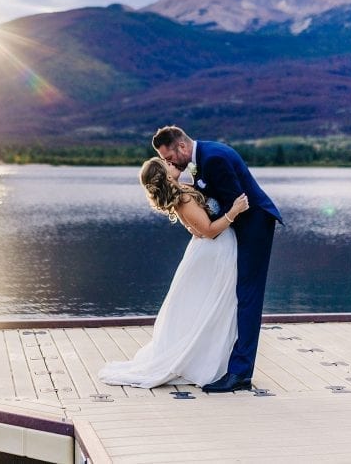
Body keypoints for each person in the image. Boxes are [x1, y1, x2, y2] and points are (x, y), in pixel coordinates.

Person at [98, 157, 250, 389]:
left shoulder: (182, 192)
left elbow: (194, 227)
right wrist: (234, 212)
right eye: (166, 164)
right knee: (211, 305)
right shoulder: (184, 198)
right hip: (214, 252)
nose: (171, 163)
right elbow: (209, 231)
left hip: (211, 251)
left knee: (207, 306)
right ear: (166, 175)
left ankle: (211, 356)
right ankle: (202, 362)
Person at [152, 125, 282, 393]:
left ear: (182, 147)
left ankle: (240, 374)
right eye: (165, 162)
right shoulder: (203, 158)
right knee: (239, 296)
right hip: (240, 228)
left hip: (254, 226)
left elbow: (237, 202)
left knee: (248, 297)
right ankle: (230, 366)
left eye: (169, 158)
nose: (169, 163)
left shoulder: (213, 159)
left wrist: (203, 222)